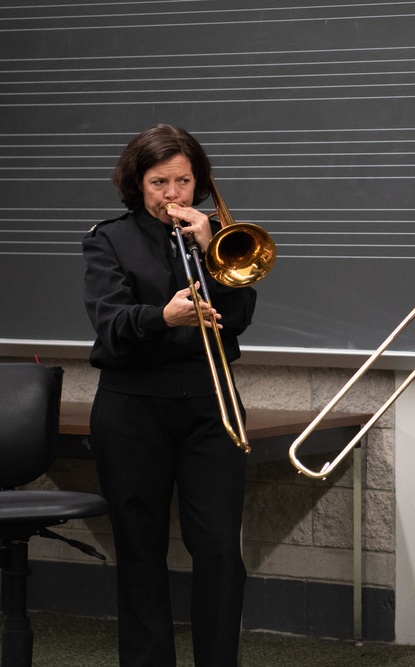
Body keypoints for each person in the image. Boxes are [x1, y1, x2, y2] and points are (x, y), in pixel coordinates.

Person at [82, 124, 256, 667]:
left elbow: (241, 320)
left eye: (184, 180)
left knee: (222, 550)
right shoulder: (109, 238)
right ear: (138, 183)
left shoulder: (219, 237)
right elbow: (110, 324)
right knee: (139, 550)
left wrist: (210, 248)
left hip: (211, 405)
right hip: (133, 408)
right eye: (160, 182)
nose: (173, 194)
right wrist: (164, 316)